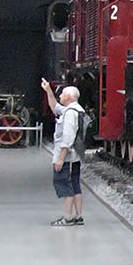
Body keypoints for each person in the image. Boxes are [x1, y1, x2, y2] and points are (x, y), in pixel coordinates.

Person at [41, 77, 87, 226]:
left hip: (67, 157)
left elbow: (67, 137)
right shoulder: (77, 110)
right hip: (76, 156)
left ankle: (68, 218)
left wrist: (60, 158)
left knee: (65, 184)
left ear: (68, 97)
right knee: (75, 183)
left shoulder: (70, 114)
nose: (59, 95)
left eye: (61, 94)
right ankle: (78, 216)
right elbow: (55, 107)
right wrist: (48, 90)